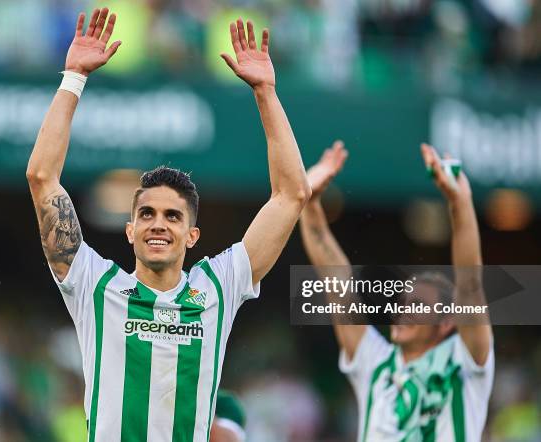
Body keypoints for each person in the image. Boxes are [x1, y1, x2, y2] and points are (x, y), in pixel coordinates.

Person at [26, 7, 310, 442]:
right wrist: (73, 78)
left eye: (172, 216)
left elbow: (291, 195)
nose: (158, 225)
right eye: (146, 214)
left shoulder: (219, 285)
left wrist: (266, 93)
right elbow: (42, 180)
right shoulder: (94, 286)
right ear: (129, 230)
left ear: (192, 235)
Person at [299, 141, 494, 441]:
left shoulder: (464, 363)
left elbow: (470, 283)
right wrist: (309, 201)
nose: (402, 310)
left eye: (417, 304)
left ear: (446, 322)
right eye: (403, 301)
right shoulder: (375, 363)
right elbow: (334, 276)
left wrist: (459, 204)